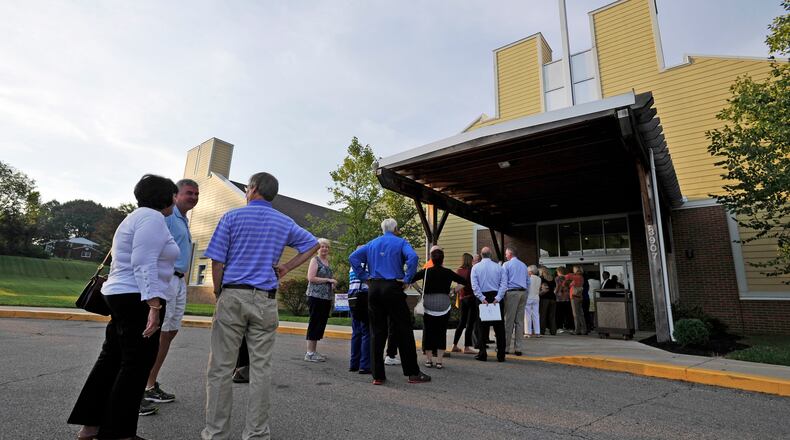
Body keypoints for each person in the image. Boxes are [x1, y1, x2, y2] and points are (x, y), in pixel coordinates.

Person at [201, 172, 319, 440]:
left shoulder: (232, 217)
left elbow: (217, 261)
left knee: (220, 367)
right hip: (265, 299)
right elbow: (312, 244)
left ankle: (216, 433)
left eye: (246, 188)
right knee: (261, 368)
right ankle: (256, 434)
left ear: (253, 189)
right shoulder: (284, 222)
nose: (245, 192)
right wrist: (286, 267)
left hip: (233, 293)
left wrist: (219, 291)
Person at [69, 174, 179, 440]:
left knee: (112, 360)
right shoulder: (152, 218)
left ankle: (91, 426)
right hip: (137, 297)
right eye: (174, 195)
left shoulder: (134, 217)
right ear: (165, 197)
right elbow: (144, 260)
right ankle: (118, 433)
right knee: (136, 365)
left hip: (121, 294)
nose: (175, 200)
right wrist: (154, 304)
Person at [349, 218, 430, 385]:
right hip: (393, 286)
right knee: (403, 329)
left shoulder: (372, 243)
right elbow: (413, 258)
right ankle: (412, 373)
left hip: (374, 288)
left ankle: (378, 376)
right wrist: (407, 278)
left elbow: (353, 257)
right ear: (396, 228)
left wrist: (365, 277)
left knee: (376, 331)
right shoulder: (401, 242)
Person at [142, 178, 199, 412]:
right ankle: (135, 392)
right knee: (152, 335)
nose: (194, 197)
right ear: (175, 195)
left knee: (169, 332)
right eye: (189, 193)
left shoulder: (184, 220)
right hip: (164, 281)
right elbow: (150, 252)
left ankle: (149, 384)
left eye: (197, 194)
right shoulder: (166, 216)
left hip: (179, 282)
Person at [412, 247, 467, 369]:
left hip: (428, 304)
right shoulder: (448, 272)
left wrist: (421, 291)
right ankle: (439, 362)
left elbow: (411, 279)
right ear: (443, 260)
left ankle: (428, 360)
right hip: (444, 304)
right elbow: (463, 282)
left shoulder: (426, 271)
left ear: (431, 259)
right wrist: (453, 291)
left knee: (429, 332)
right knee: (441, 332)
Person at [470, 247, 507, 362]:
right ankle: (501, 355)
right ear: (491, 255)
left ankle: (482, 354)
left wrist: (481, 298)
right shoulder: (499, 267)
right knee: (499, 327)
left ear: (481, 255)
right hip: (496, 297)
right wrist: (498, 297)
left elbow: (474, 286)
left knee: (482, 327)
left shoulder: (475, 268)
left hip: (483, 298)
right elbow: (504, 284)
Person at [304, 238, 336, 362]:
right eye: (322, 246)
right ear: (318, 248)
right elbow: (311, 278)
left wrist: (332, 283)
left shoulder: (327, 262)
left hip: (325, 297)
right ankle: (309, 353)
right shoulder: (315, 260)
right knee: (314, 322)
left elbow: (329, 278)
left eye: (327, 247)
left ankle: (314, 351)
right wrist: (328, 280)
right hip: (315, 296)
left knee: (320, 324)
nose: (325, 249)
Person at [347, 247, 371, 374]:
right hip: (364, 297)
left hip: (352, 297)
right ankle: (365, 365)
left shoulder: (352, 265)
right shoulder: (367, 265)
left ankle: (353, 363)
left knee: (356, 331)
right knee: (366, 331)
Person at [502, 247, 528, 355]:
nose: (505, 255)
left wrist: (501, 295)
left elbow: (504, 281)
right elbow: (528, 281)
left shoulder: (506, 265)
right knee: (519, 322)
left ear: (510, 254)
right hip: (523, 293)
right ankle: (518, 348)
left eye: (506, 254)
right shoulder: (524, 265)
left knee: (509, 321)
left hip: (512, 293)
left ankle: (506, 348)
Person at [450, 253, 477, 355]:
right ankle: (467, 347)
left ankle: (454, 345)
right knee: (469, 323)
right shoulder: (472, 270)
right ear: (470, 260)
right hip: (471, 297)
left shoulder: (459, 270)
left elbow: (458, 285)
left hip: (462, 298)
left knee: (461, 323)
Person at [564, 266, 588, 335]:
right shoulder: (581, 277)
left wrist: (564, 275)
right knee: (581, 314)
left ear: (576, 270)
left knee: (575, 314)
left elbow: (568, 276)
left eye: (574, 269)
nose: (573, 270)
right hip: (579, 297)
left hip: (574, 297)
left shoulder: (577, 277)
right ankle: (584, 330)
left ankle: (577, 330)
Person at [538, 266, 557, 336]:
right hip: (553, 298)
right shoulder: (552, 278)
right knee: (552, 316)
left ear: (542, 271)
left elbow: (544, 289)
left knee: (543, 315)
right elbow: (555, 288)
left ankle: (541, 331)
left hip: (544, 298)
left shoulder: (542, 279)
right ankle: (553, 331)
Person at [524, 265, 541, 338]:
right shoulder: (539, 278)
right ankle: (537, 332)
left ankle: (528, 332)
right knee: (536, 314)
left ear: (530, 272)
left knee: (527, 315)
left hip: (528, 297)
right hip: (536, 297)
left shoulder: (528, 278)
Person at [554, 267, 572, 333]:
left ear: (559, 272)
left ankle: (559, 327)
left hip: (559, 297)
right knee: (568, 313)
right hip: (568, 297)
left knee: (559, 313)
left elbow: (558, 286)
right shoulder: (568, 278)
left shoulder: (557, 278)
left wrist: (555, 292)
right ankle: (570, 327)